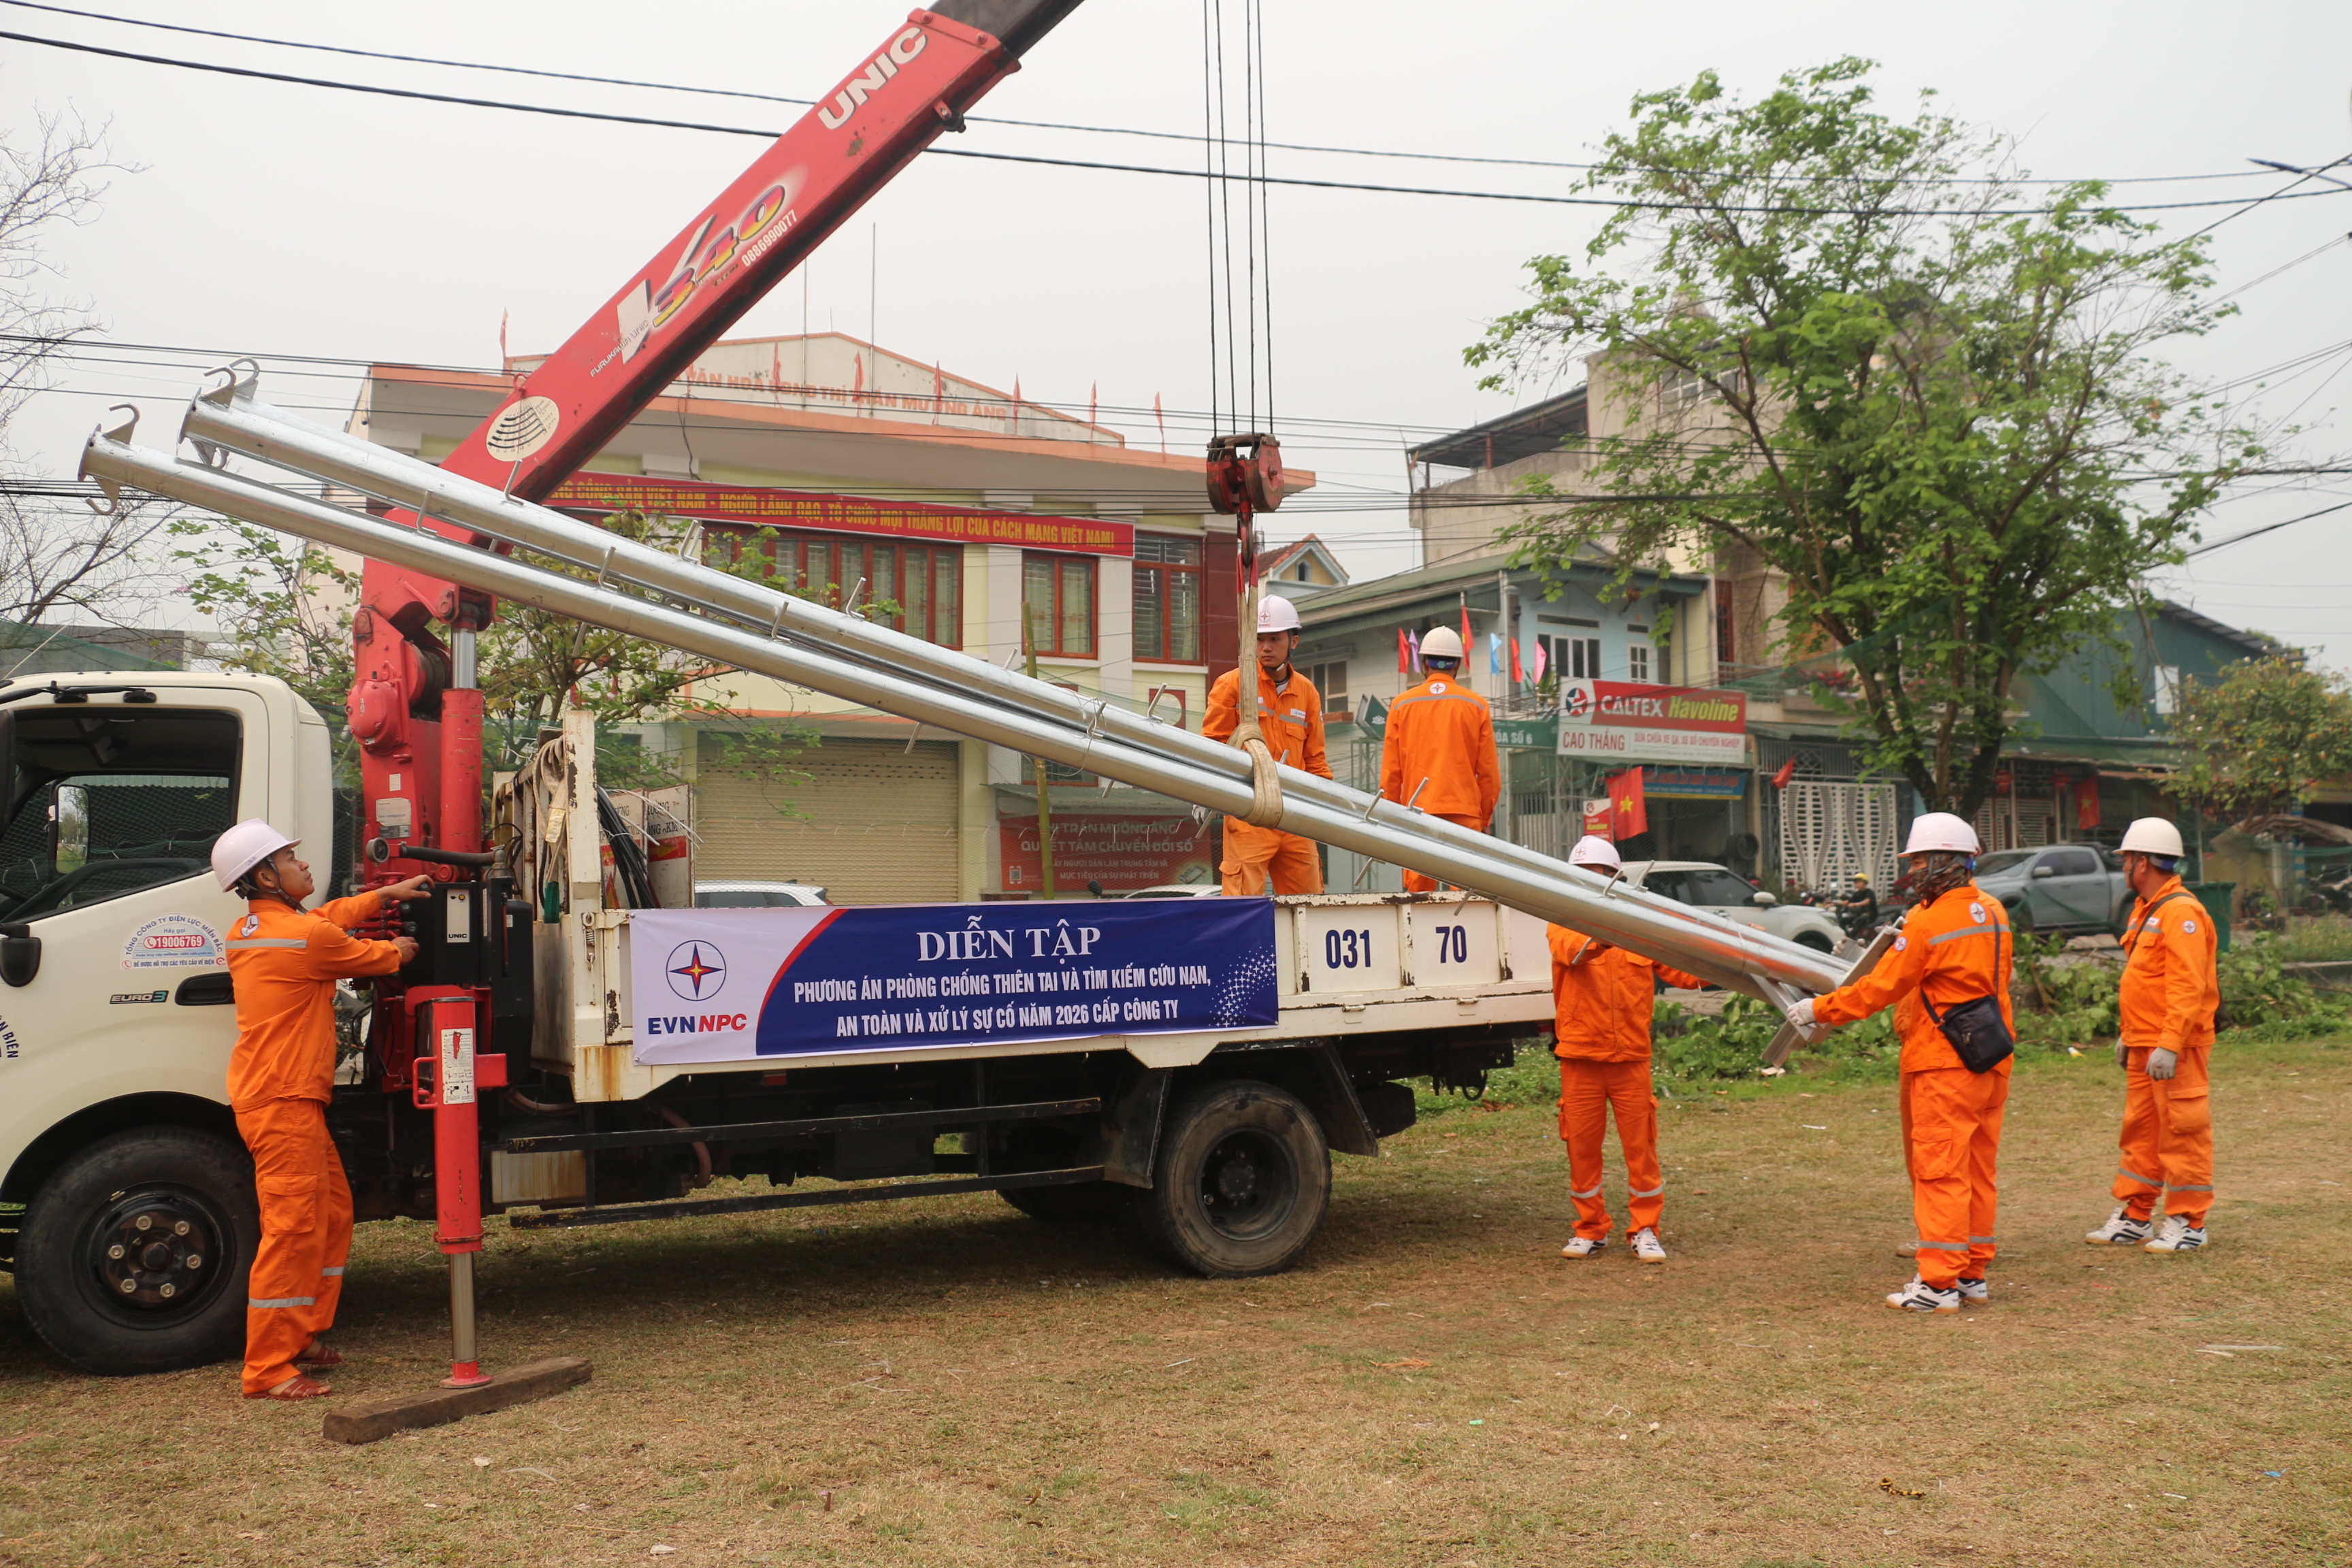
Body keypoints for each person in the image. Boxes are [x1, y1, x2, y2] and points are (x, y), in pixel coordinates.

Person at [211, 819, 429, 1401]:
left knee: (332, 1213)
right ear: (264, 875)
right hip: (283, 1102)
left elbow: (326, 920)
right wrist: (400, 946)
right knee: (293, 1228)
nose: (303, 866)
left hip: (280, 1098)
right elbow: (375, 953)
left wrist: (383, 895)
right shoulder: (303, 940)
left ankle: (302, 1331)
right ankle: (268, 1368)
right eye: (290, 859)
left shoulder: (252, 930)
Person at [1787, 813, 2012, 1312]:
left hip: (1943, 1063)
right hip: (1990, 1055)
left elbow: (1881, 987)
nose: (1913, 873)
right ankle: (1970, 1272)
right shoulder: (1994, 911)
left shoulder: (1929, 922)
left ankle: (1937, 1284)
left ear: (1943, 862)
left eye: (1919, 862)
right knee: (1977, 1168)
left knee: (1939, 1170)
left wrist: (1819, 1008)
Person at [1546, 836, 1710, 1263]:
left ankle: (1646, 1230)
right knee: (1582, 1149)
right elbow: (1575, 951)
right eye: (1581, 874)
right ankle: (1590, 1228)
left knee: (1641, 1150)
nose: (1589, 881)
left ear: (1614, 877)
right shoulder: (1562, 919)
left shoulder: (1639, 926)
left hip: (1630, 1058)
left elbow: (1686, 974)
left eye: (1597, 874)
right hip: (1581, 1057)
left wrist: (1730, 954)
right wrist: (1615, 929)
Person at [2085, 817, 2220, 1254]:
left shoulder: (2180, 912)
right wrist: (2133, 1034)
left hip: (2173, 1045)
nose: (2124, 866)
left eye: (2127, 858)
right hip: (2148, 1040)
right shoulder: (2150, 908)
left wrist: (2169, 1043)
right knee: (2142, 1130)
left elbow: (2187, 986)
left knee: (2183, 1130)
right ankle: (2136, 1215)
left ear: (2142, 862)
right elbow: (2149, 981)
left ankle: (2188, 1221)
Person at [1204, 595, 1332, 896]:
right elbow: (1213, 747)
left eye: (1275, 639)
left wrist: (1324, 810)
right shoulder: (1232, 684)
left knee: (1308, 907)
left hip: (1296, 817)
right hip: (1248, 812)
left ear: (1293, 642)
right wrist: (1206, 794)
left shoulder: (1307, 693)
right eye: (1259, 639)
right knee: (1243, 906)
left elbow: (1316, 761)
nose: (1266, 647)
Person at [1379, 625, 1500, 894]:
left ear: (1424, 663)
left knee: (1418, 899)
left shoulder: (1401, 705)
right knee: (1466, 898)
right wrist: (1485, 818)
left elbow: (1391, 772)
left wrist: (1392, 816)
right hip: (1465, 813)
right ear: (1458, 665)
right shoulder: (1477, 705)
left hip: (1416, 813)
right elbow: (1489, 772)